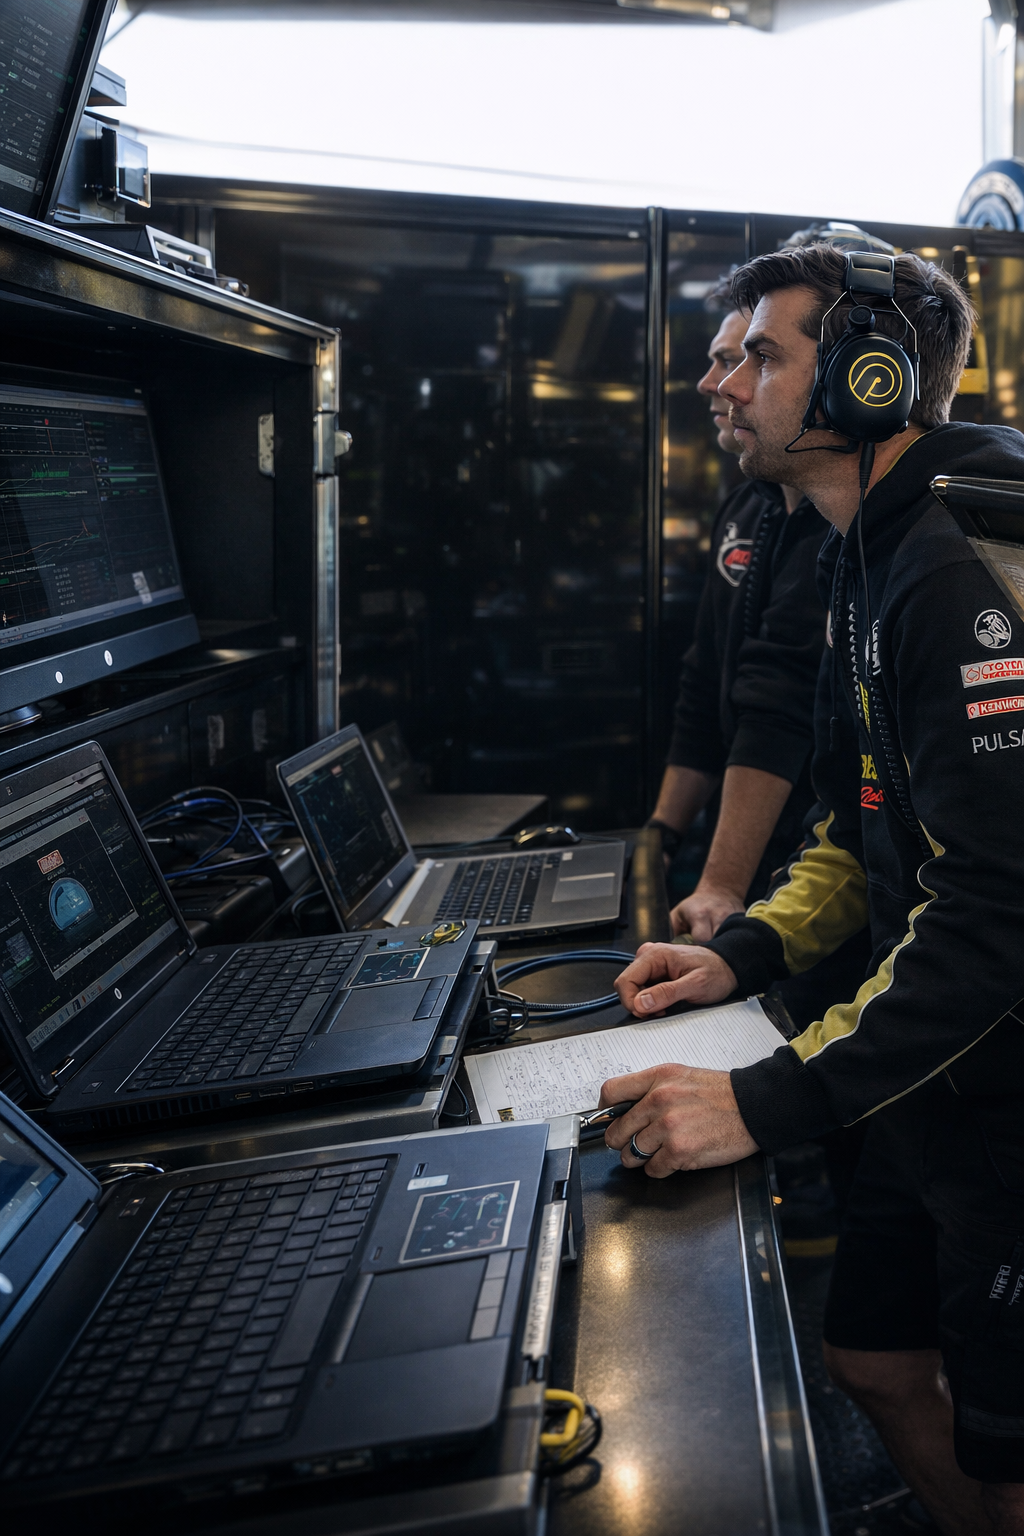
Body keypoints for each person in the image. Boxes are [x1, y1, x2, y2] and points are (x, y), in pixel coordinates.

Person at [602, 244, 1024, 1535]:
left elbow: (998, 917)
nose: (718, 384)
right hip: (931, 1073)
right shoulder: (855, 551)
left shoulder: (956, 572)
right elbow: (861, 820)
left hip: (1006, 1092)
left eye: (760, 356)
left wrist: (762, 1103)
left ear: (865, 380)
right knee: (874, 1364)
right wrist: (747, 950)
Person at [649, 285, 827, 942]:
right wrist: (661, 836)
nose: (716, 384)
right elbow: (706, 682)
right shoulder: (748, 506)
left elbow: (778, 706)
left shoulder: (844, 525)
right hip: (739, 849)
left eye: (751, 359)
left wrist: (721, 884)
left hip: (811, 863)